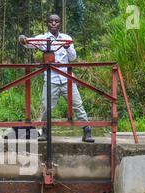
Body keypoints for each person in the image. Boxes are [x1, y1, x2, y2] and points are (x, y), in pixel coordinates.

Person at [19, 14, 95, 143]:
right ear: (47, 23)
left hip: (67, 78)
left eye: (56, 21)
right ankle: (45, 132)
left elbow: (73, 58)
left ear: (60, 24)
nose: (53, 23)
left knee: (77, 105)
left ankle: (87, 131)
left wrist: (67, 47)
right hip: (51, 79)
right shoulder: (43, 38)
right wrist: (23, 39)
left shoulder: (66, 38)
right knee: (46, 106)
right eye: (51, 21)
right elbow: (29, 43)